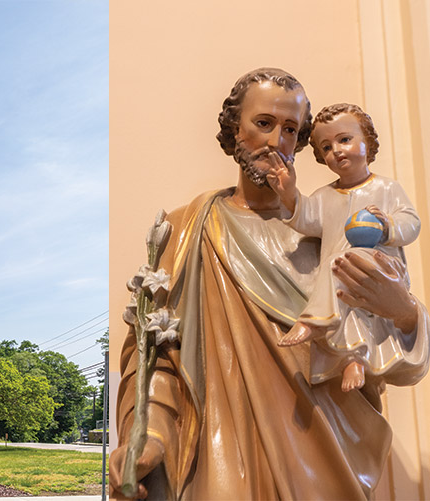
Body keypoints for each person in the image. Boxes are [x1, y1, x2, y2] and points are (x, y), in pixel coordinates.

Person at [109, 68, 429, 500]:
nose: (277, 140)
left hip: (328, 460)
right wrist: (150, 436)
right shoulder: (186, 231)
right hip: (220, 459)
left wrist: (403, 312)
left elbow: (402, 361)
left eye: (291, 129)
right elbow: (156, 356)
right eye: (264, 123)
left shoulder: (329, 233)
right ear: (234, 128)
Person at [271, 103, 422, 392]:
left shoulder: (387, 188)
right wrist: (289, 194)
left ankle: (312, 322)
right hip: (339, 276)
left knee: (341, 265)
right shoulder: (325, 196)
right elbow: (306, 218)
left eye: (344, 139)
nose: (336, 151)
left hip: (381, 269)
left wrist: (387, 225)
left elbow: (411, 223)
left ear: (367, 141)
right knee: (346, 305)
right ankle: (355, 359)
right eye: (326, 147)